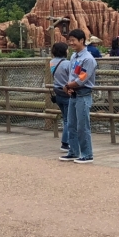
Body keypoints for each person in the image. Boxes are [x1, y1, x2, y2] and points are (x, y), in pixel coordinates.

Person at [61, 29, 96, 164]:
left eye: (73, 40)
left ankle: (87, 154)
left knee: (83, 126)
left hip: (83, 94)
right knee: (71, 125)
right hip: (73, 95)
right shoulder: (74, 57)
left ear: (81, 40)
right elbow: (72, 75)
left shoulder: (88, 59)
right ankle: (74, 151)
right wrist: (68, 86)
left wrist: (69, 86)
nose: (71, 43)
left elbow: (82, 79)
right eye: (69, 41)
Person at [50, 42, 71, 153]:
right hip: (67, 92)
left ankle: (67, 141)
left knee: (65, 118)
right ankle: (65, 143)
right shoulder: (67, 63)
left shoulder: (52, 62)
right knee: (69, 120)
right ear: (64, 51)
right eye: (67, 49)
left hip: (58, 93)